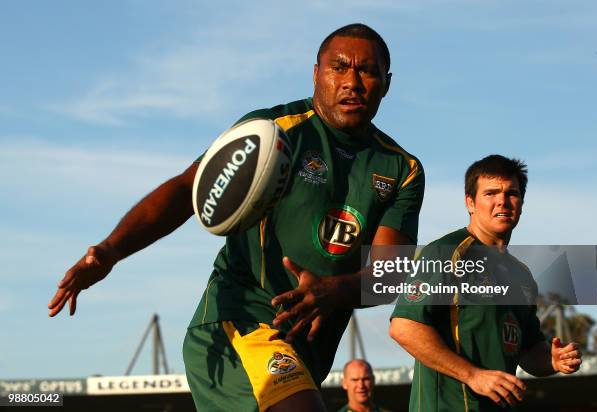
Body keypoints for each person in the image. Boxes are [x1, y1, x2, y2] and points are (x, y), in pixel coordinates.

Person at [48, 23, 425, 412]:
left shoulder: (402, 169)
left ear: (387, 82)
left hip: (306, 349)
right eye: (339, 67)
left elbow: (389, 274)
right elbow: (186, 190)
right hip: (239, 323)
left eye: (367, 71)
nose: (352, 81)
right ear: (316, 74)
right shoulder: (273, 132)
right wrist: (109, 251)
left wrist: (335, 290)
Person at [389, 155, 582, 411]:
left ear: (521, 203)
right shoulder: (445, 253)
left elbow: (528, 350)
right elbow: (404, 327)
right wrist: (473, 375)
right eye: (490, 193)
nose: (502, 200)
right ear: (470, 203)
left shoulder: (521, 276)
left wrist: (553, 360)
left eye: (511, 193)